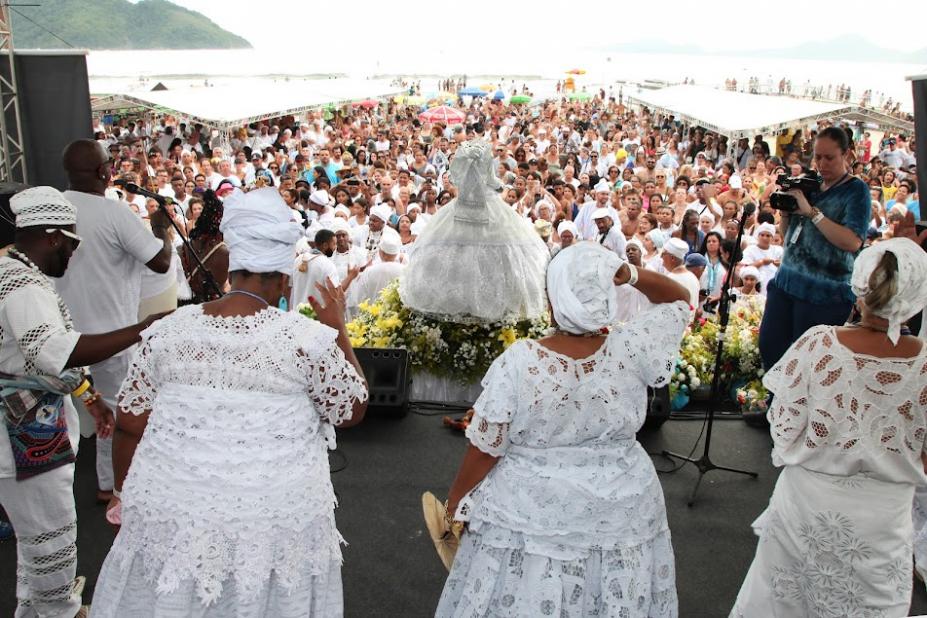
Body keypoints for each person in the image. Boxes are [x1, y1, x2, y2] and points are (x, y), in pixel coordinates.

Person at [90, 186, 368, 617]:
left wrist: (123, 496)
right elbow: (351, 410)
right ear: (282, 279)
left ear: (234, 269)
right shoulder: (308, 340)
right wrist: (338, 328)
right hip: (273, 524)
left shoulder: (169, 330)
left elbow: (130, 424)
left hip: (172, 515)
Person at [436, 242, 690, 618]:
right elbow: (679, 298)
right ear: (607, 296)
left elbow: (487, 447)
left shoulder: (520, 360)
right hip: (623, 506)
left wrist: (455, 501)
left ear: (553, 300)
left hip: (530, 512)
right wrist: (630, 273)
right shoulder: (633, 347)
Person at [732, 238, 927, 617]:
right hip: (883, 521)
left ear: (860, 289)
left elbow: (785, 432)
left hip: (807, 507)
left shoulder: (819, 344)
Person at [0, 187, 168, 618]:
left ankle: (34, 608)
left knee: (35, 534)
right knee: (50, 532)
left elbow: (35, 357)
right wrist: (143, 328)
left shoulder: (17, 273)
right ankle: (60, 611)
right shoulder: (20, 283)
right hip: (24, 432)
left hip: (30, 423)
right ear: (53, 236)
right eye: (72, 242)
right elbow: (53, 350)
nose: (74, 253)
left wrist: (90, 397)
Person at [56, 139, 173, 503]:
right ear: (104, 172)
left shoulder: (54, 208)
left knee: (61, 410)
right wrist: (162, 230)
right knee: (117, 412)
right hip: (112, 335)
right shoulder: (115, 213)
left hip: (61, 334)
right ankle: (110, 485)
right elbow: (160, 262)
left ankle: (55, 483)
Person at [759, 127, 871, 372]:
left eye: (829, 157)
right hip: (786, 283)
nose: (822, 164)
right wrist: (787, 210)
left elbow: (852, 241)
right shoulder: (810, 183)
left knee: (809, 366)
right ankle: (775, 406)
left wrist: (812, 212)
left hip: (824, 294)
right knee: (771, 350)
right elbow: (787, 234)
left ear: (847, 155)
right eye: (818, 157)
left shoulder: (856, 191)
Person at [399, 140, 549, 323]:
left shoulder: (463, 157)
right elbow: (493, 181)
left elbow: (455, 179)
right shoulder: (484, 154)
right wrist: (498, 186)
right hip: (487, 206)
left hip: (463, 206)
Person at [347, 231, 405, 315]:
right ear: (396, 254)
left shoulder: (370, 271)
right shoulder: (404, 270)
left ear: (381, 253)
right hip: (398, 316)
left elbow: (360, 297)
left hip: (373, 316)